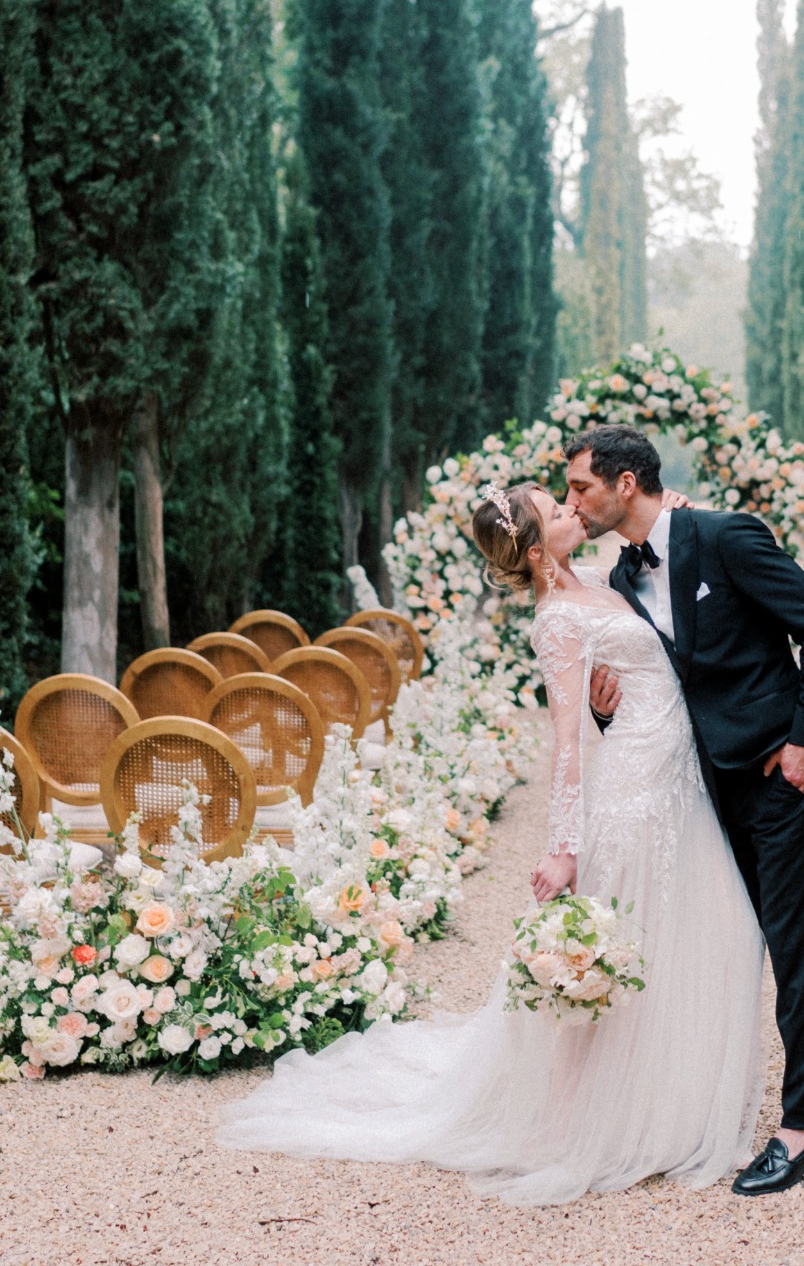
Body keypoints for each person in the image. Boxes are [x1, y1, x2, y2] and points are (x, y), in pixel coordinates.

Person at [216, 481, 764, 1206]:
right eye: (558, 508)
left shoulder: (599, 576)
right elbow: (565, 744)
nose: (575, 510)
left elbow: (656, 585)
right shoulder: (558, 618)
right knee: (643, 937)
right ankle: (617, 1116)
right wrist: (563, 847)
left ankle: (673, 1092)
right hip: (633, 790)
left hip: (679, 775)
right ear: (538, 552)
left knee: (699, 936)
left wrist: (681, 518)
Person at [565, 423, 804, 1197]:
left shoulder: (726, 536)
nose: (575, 502)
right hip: (697, 791)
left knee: (796, 953)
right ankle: (702, 1106)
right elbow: (659, 690)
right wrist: (606, 712)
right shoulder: (623, 581)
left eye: (581, 488)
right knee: (729, 946)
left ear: (626, 482)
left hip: (778, 779)